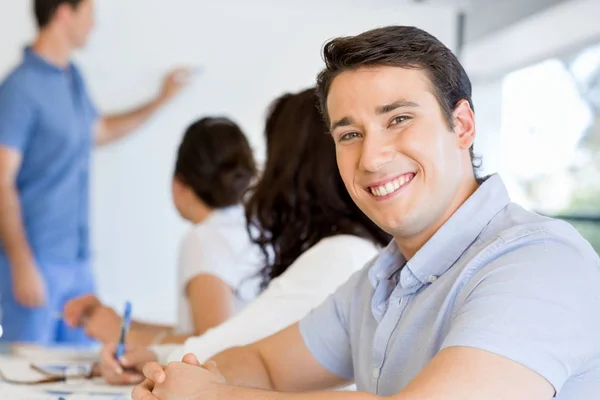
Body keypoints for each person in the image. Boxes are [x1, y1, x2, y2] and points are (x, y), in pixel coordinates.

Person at [133, 26, 600, 400]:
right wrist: (179, 379)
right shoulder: (380, 278)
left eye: (398, 119)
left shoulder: (541, 261)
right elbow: (267, 364)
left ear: (462, 125)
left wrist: (214, 397)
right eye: (349, 134)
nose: (371, 158)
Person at [97, 88, 390, 385]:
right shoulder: (361, 252)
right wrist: (155, 356)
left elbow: (223, 346)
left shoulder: (339, 255)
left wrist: (141, 346)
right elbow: (255, 355)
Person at [0, 0, 191, 346]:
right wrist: (21, 261)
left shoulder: (72, 78)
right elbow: (1, 181)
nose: (94, 24)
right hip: (35, 262)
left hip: (78, 264)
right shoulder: (18, 89)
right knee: (23, 374)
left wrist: (162, 99)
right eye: (89, 13)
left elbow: (98, 131)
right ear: (63, 13)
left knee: (85, 369)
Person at [63, 117, 262, 346]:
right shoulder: (250, 229)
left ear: (179, 183)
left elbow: (213, 344)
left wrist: (124, 336)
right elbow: (191, 332)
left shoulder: (205, 238)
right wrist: (119, 323)